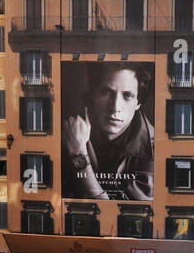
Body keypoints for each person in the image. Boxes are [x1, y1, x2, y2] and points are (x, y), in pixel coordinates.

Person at [62, 62, 154, 200]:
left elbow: (113, 213)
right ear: (93, 94)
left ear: (138, 103)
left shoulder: (154, 150)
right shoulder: (68, 127)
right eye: (106, 92)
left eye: (127, 95)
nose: (115, 107)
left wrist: (78, 154)